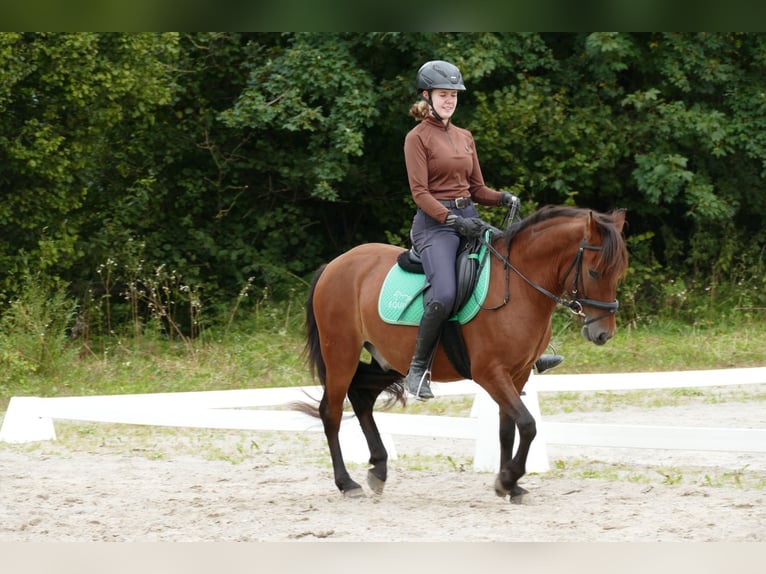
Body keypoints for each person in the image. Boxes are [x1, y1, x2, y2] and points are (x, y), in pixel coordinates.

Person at [402, 60, 562, 400]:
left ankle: (531, 352)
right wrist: (451, 220)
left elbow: (477, 189)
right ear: (427, 96)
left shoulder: (464, 137)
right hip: (435, 228)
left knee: (515, 269)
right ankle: (418, 369)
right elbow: (420, 193)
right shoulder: (416, 139)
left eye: (454, 95)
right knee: (445, 292)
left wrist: (503, 197)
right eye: (443, 95)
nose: (449, 101)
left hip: (470, 221)